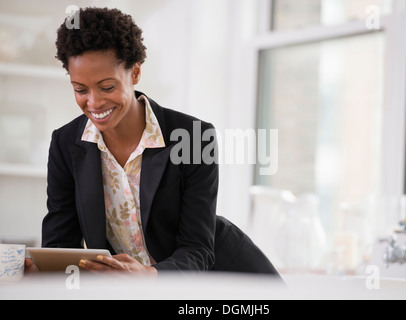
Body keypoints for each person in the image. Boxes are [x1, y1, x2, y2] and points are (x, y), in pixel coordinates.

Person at [25, 7, 279, 277]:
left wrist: (149, 276)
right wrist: (42, 272)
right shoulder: (66, 145)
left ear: (135, 73)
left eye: (107, 87)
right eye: (80, 89)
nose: (94, 102)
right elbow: (61, 245)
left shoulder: (194, 137)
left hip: (226, 279)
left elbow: (198, 249)